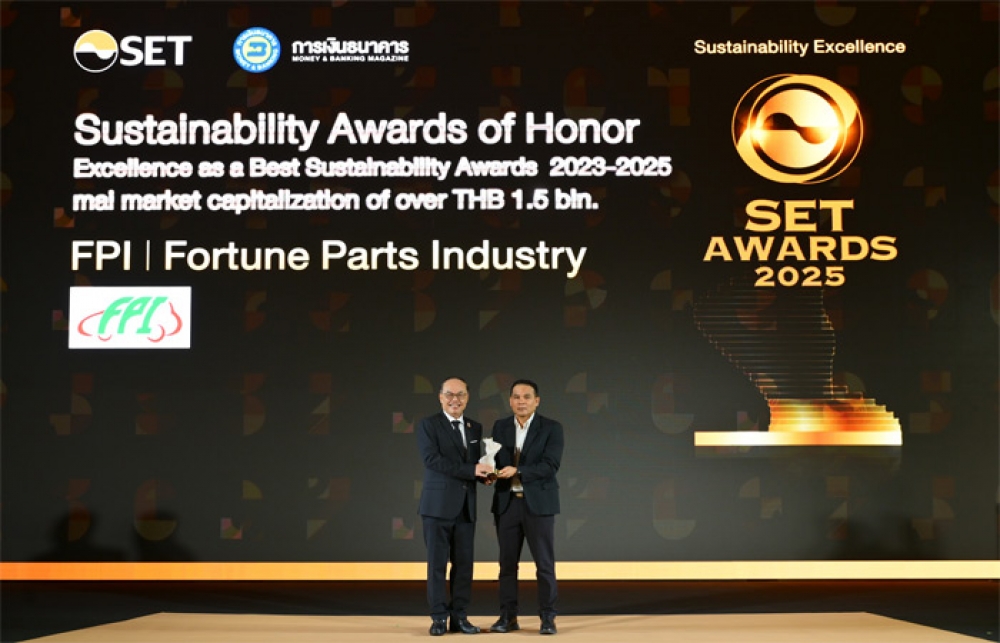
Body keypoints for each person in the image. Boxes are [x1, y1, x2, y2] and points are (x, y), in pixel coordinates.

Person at [417, 377, 494, 636]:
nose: (455, 399)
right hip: (437, 507)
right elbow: (432, 460)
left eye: (460, 394)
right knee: (437, 565)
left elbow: (473, 464)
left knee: (464, 566)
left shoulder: (474, 427)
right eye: (449, 394)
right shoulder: (429, 425)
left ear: (467, 398)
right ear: (440, 397)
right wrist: (472, 470)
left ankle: (459, 617)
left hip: (466, 507)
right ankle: (438, 618)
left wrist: (484, 476)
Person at [489, 379, 564, 635]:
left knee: (544, 565)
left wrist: (518, 470)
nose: (521, 401)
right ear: (510, 401)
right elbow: (494, 460)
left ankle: (548, 618)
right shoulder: (500, 427)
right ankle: (507, 617)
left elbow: (550, 465)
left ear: (537, 401)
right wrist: (489, 472)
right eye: (516, 397)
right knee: (507, 565)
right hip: (507, 504)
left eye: (527, 397)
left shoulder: (552, 428)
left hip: (538, 505)